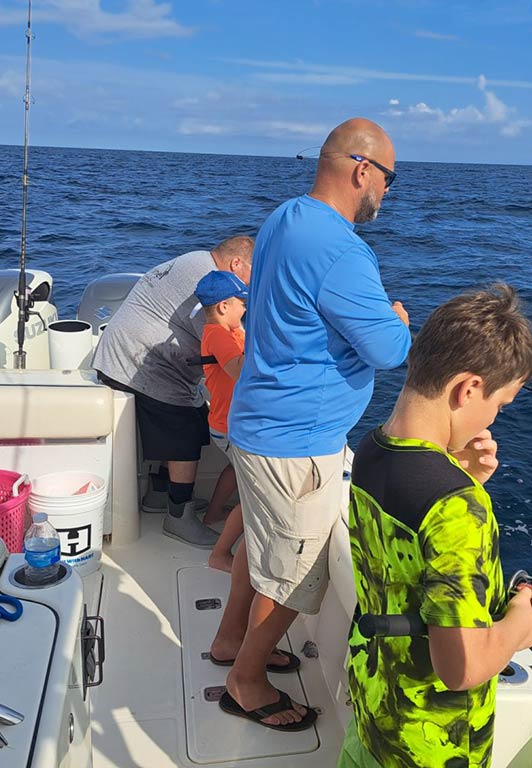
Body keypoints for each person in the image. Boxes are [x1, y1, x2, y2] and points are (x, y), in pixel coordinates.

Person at [210, 117, 411, 731]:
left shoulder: (284, 218)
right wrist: (398, 318)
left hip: (256, 421)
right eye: (389, 178)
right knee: (296, 571)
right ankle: (244, 681)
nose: (388, 191)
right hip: (296, 443)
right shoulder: (343, 248)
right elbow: (389, 349)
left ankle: (228, 640)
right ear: (361, 170)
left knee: (266, 547)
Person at [338, 284, 532, 768]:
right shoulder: (457, 508)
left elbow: (408, 542)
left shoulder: (372, 448)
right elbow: (463, 667)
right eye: (500, 403)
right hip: (428, 748)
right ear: (468, 389)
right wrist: (521, 623)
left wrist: (461, 472)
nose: (493, 417)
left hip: (373, 711)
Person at [92, 235, 253, 548]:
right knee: (187, 429)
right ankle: (179, 516)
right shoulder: (205, 278)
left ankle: (159, 494)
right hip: (138, 364)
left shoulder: (197, 261)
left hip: (124, 357)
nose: (248, 293)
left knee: (191, 413)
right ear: (236, 264)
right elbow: (221, 332)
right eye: (251, 274)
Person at [192, 270, 249, 572]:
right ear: (223, 307)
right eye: (241, 302)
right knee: (255, 490)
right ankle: (221, 554)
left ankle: (212, 515)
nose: (245, 307)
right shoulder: (216, 334)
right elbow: (240, 369)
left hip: (227, 424)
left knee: (235, 470)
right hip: (231, 426)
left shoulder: (232, 330)